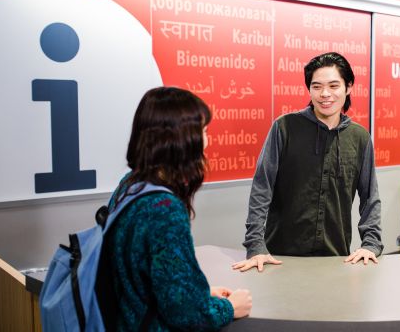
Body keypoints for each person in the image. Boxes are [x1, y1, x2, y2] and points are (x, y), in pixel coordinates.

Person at [104, 87, 252, 330]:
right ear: (181, 139)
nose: (207, 141)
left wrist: (199, 293)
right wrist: (230, 307)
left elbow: (154, 280)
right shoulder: (163, 208)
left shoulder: (129, 185)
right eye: (203, 131)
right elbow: (185, 314)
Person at [232, 52, 383, 272]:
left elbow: (370, 197)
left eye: (333, 86)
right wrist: (255, 246)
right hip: (279, 257)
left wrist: (371, 243)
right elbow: (261, 188)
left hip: (336, 258)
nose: (325, 94)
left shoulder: (360, 137)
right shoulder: (284, 127)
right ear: (309, 89)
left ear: (348, 87)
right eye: (317, 87)